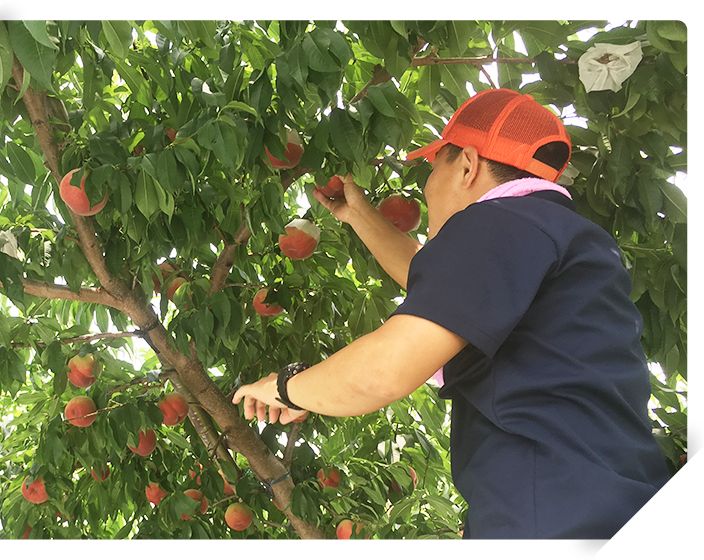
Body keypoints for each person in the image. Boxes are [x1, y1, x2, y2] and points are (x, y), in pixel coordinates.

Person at [231, 88, 670, 539]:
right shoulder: (553, 233)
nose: (426, 188)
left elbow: (381, 373)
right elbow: (437, 283)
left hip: (556, 517)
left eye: (432, 166)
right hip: (614, 508)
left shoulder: (499, 221)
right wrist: (357, 213)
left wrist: (285, 387)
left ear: (466, 165)